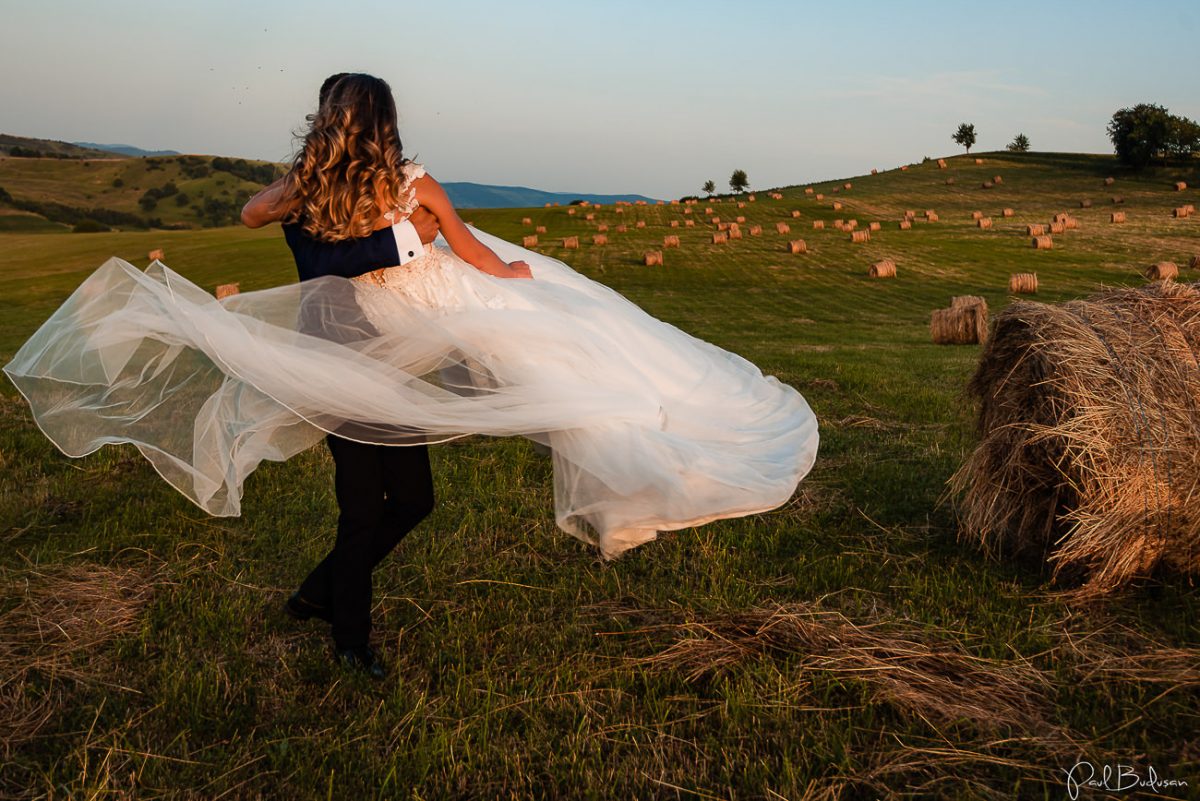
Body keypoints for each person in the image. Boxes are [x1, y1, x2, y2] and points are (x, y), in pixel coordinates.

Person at [3, 73, 819, 675]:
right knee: (364, 506)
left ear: (333, 121)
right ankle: (349, 637)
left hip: (389, 360)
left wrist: (532, 287)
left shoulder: (404, 189)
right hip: (333, 361)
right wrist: (317, 179)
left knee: (414, 499)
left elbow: (475, 256)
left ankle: (319, 591)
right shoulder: (318, 191)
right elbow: (256, 212)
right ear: (381, 123)